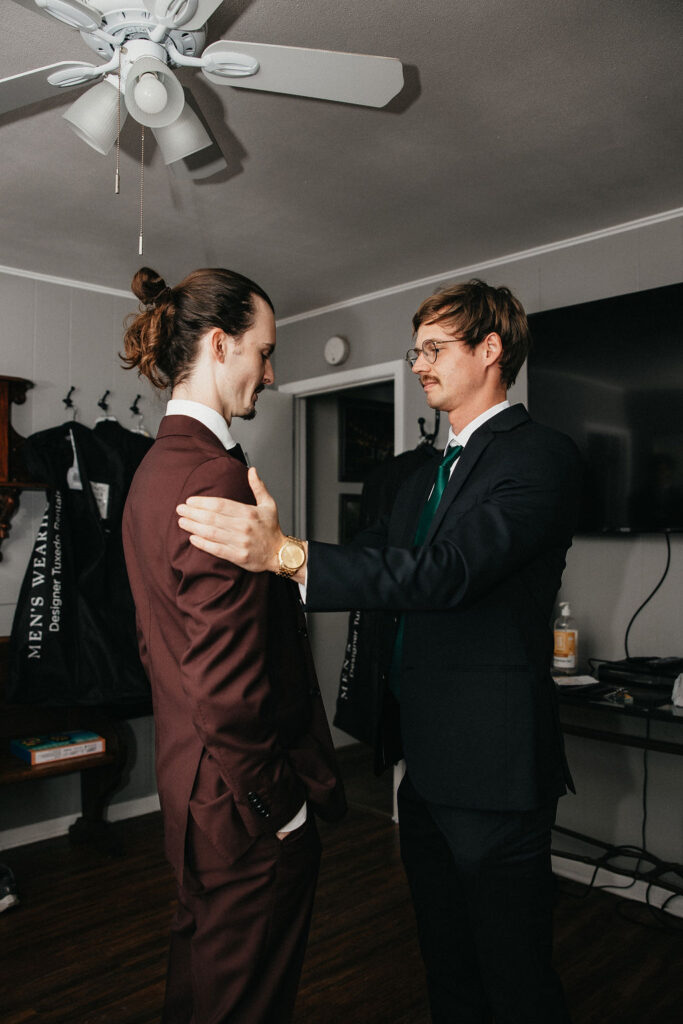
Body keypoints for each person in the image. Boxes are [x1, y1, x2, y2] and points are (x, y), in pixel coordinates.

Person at [176, 278, 582, 1023]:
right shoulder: (421, 477)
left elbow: (448, 574)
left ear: (490, 350)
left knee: (515, 975)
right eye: (415, 348)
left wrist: (287, 555)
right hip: (423, 763)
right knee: (446, 963)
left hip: (494, 769)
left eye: (434, 349)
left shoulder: (538, 458)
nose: (418, 363)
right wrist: (260, 558)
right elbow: (366, 560)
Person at [121, 266, 346, 1024]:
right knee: (244, 1003)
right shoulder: (216, 476)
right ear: (220, 345)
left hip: (188, 789)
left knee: (202, 987)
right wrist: (276, 808)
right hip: (240, 806)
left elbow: (166, 650)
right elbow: (224, 682)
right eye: (264, 350)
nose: (271, 372)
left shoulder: (152, 472)